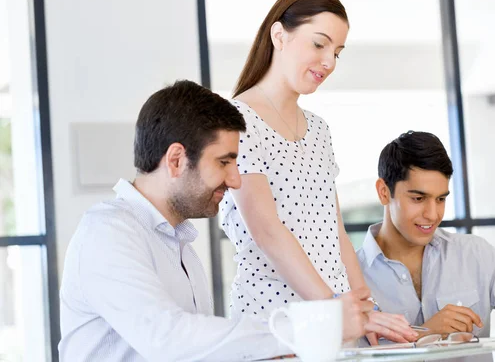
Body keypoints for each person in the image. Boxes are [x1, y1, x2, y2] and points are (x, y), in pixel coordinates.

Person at [58, 81, 370, 362]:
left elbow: (195, 350)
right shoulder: (108, 233)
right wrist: (307, 328)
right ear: (177, 160)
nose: (235, 180)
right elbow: (168, 339)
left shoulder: (179, 245)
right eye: (224, 162)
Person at [220, 0, 417, 345]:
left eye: (337, 52)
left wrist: (364, 310)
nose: (329, 62)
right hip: (273, 322)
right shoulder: (237, 121)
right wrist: (335, 311)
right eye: (319, 44)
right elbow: (267, 231)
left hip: (333, 322)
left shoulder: (319, 130)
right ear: (279, 35)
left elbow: (335, 231)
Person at [357, 130, 495, 339]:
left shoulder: (474, 254)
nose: (432, 215)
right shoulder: (347, 278)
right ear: (383, 192)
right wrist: (427, 334)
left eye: (440, 199)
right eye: (418, 198)